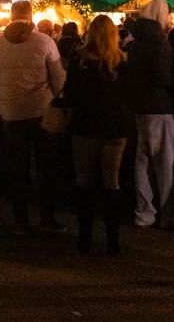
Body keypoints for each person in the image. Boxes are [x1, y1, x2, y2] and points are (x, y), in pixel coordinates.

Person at [0, 0, 67, 233]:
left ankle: (20, 219)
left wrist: (2, 103)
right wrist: (52, 98)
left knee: (17, 166)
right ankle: (47, 216)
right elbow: (59, 77)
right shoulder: (44, 41)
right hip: (40, 109)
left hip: (11, 113)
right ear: (30, 15)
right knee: (45, 165)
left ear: (10, 16)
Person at [65, 15, 128, 254]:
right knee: (112, 183)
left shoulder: (80, 61)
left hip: (85, 126)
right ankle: (113, 241)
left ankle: (85, 238)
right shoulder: (122, 61)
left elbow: (70, 94)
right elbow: (127, 95)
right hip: (114, 128)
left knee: (84, 181)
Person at [126, 0, 174, 229]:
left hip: (139, 106)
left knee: (142, 161)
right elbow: (163, 78)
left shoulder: (133, 44)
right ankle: (169, 213)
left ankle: (144, 212)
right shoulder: (160, 44)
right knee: (165, 163)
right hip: (160, 108)